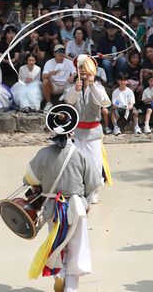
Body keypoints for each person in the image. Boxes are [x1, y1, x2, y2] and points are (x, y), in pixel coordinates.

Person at [24, 104, 101, 292]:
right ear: (72, 129)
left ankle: (58, 274)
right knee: (76, 246)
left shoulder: (42, 154)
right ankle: (71, 287)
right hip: (76, 206)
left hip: (52, 208)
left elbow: (29, 179)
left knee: (57, 242)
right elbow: (93, 182)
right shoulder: (81, 154)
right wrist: (87, 202)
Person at [63, 54, 111, 203]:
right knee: (76, 162)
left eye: (85, 66)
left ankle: (94, 190)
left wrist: (91, 86)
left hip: (93, 132)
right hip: (77, 132)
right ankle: (79, 189)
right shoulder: (73, 87)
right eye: (80, 67)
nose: (82, 70)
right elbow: (68, 102)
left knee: (94, 163)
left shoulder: (98, 87)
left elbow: (104, 102)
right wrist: (75, 91)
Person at [42, 44, 75, 112]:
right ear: (54, 53)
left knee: (77, 82)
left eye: (63, 51)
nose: (61, 53)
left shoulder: (69, 62)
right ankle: (48, 103)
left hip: (66, 85)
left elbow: (75, 72)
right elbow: (43, 77)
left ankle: (71, 106)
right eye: (59, 51)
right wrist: (51, 73)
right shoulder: (49, 62)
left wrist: (72, 76)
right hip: (54, 86)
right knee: (45, 81)